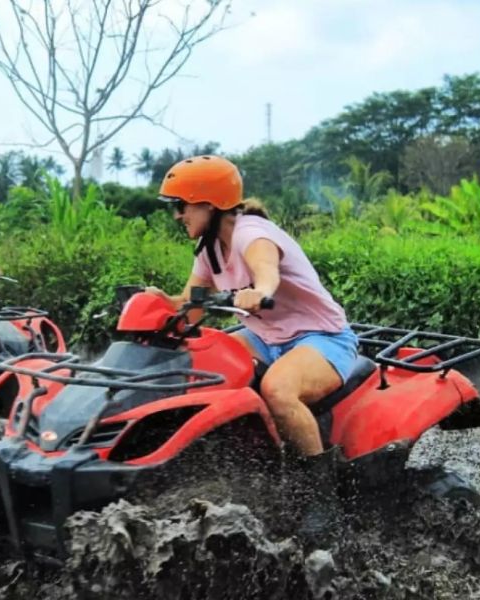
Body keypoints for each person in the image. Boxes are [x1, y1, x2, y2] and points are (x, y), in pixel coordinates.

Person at [147, 156, 358, 534]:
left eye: (181, 206)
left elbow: (266, 271)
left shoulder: (251, 234)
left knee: (278, 389)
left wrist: (259, 292)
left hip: (321, 337)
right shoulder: (209, 249)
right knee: (201, 367)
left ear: (208, 204)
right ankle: (236, 466)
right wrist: (159, 303)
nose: (178, 215)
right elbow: (191, 308)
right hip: (264, 336)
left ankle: (323, 498)